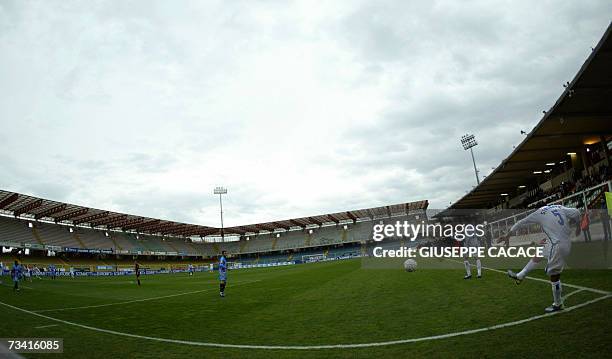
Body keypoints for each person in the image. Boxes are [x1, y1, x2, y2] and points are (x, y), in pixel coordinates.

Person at [504, 205, 581, 313]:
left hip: (558, 245)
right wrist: (578, 226)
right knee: (539, 252)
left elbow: (521, 222)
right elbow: (577, 212)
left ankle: (558, 304)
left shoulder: (539, 213)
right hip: (561, 241)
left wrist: (508, 235)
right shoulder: (558, 207)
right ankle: (520, 276)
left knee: (554, 275)